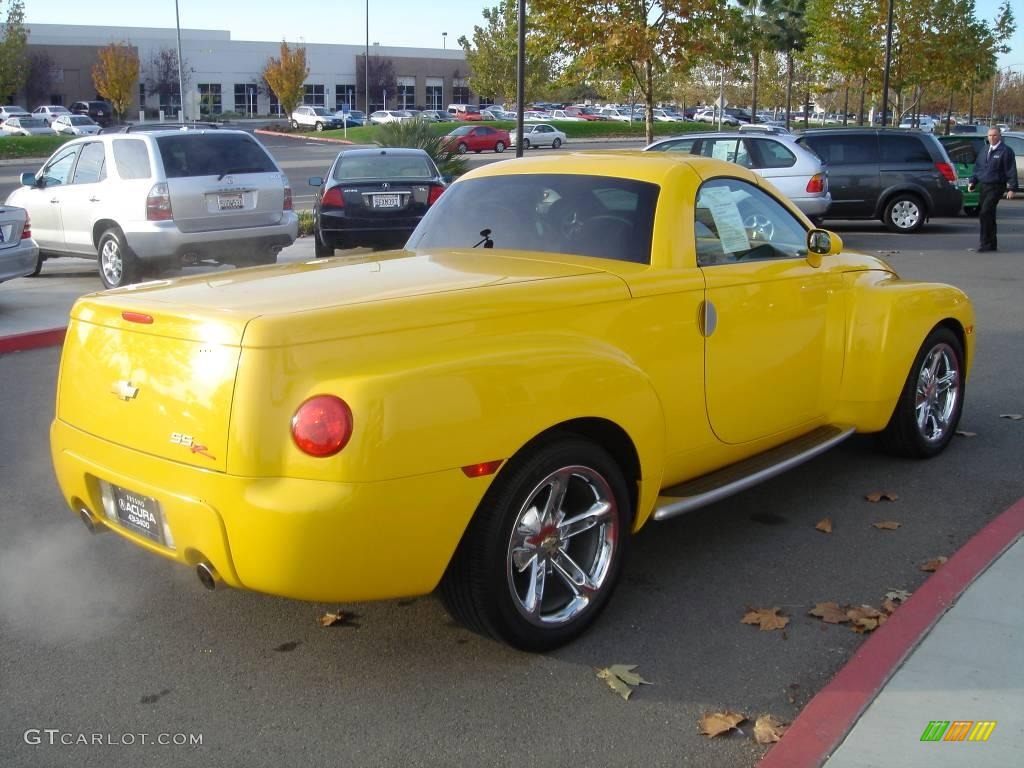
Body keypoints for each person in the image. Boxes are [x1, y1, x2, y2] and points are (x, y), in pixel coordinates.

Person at [967, 126, 1018, 252]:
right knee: (989, 214)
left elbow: (1011, 170)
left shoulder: (1006, 151)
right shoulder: (984, 150)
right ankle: (991, 243)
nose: (992, 138)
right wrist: (972, 181)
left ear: (999, 136)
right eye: (989, 135)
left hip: (996, 186)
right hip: (984, 186)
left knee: (985, 212)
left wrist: (1012, 188)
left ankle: (984, 243)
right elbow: (978, 168)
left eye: (994, 135)